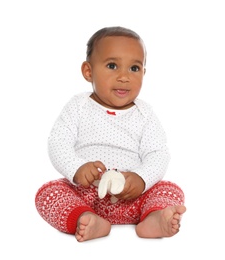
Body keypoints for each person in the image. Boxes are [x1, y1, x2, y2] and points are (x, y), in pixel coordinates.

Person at [35, 26, 186, 242]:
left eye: (134, 68)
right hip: (87, 193)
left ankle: (153, 218)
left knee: (170, 189)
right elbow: (58, 142)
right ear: (89, 71)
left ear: (144, 73)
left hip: (132, 197)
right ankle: (86, 218)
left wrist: (141, 179)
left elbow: (158, 153)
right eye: (112, 66)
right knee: (49, 192)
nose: (124, 77)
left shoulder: (145, 114)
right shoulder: (78, 106)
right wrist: (76, 168)